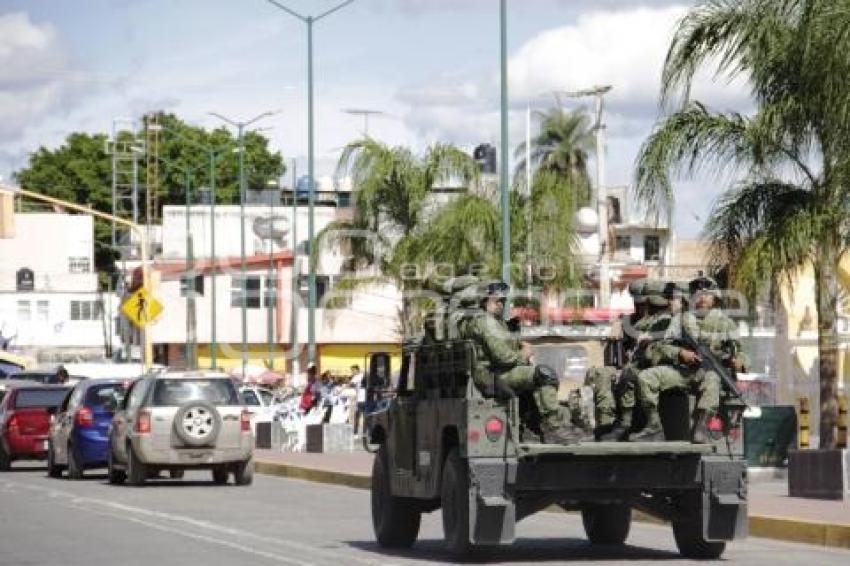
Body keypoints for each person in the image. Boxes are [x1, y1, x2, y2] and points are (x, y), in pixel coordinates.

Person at [460, 280, 585, 445]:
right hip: (492, 375)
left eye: (503, 301)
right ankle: (553, 428)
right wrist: (523, 354)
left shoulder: (496, 322)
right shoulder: (485, 321)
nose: (501, 304)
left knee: (533, 379)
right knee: (544, 375)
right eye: (496, 300)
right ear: (484, 301)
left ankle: (532, 427)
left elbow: (505, 344)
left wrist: (519, 343)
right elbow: (502, 357)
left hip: (498, 372)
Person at [586, 278, 651, 441]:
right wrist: (618, 326)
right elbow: (621, 351)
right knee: (602, 373)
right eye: (637, 303)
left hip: (648, 367)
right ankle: (607, 423)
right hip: (630, 365)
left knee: (628, 374)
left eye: (643, 303)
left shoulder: (660, 321)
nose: (640, 307)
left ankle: (626, 424)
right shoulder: (628, 321)